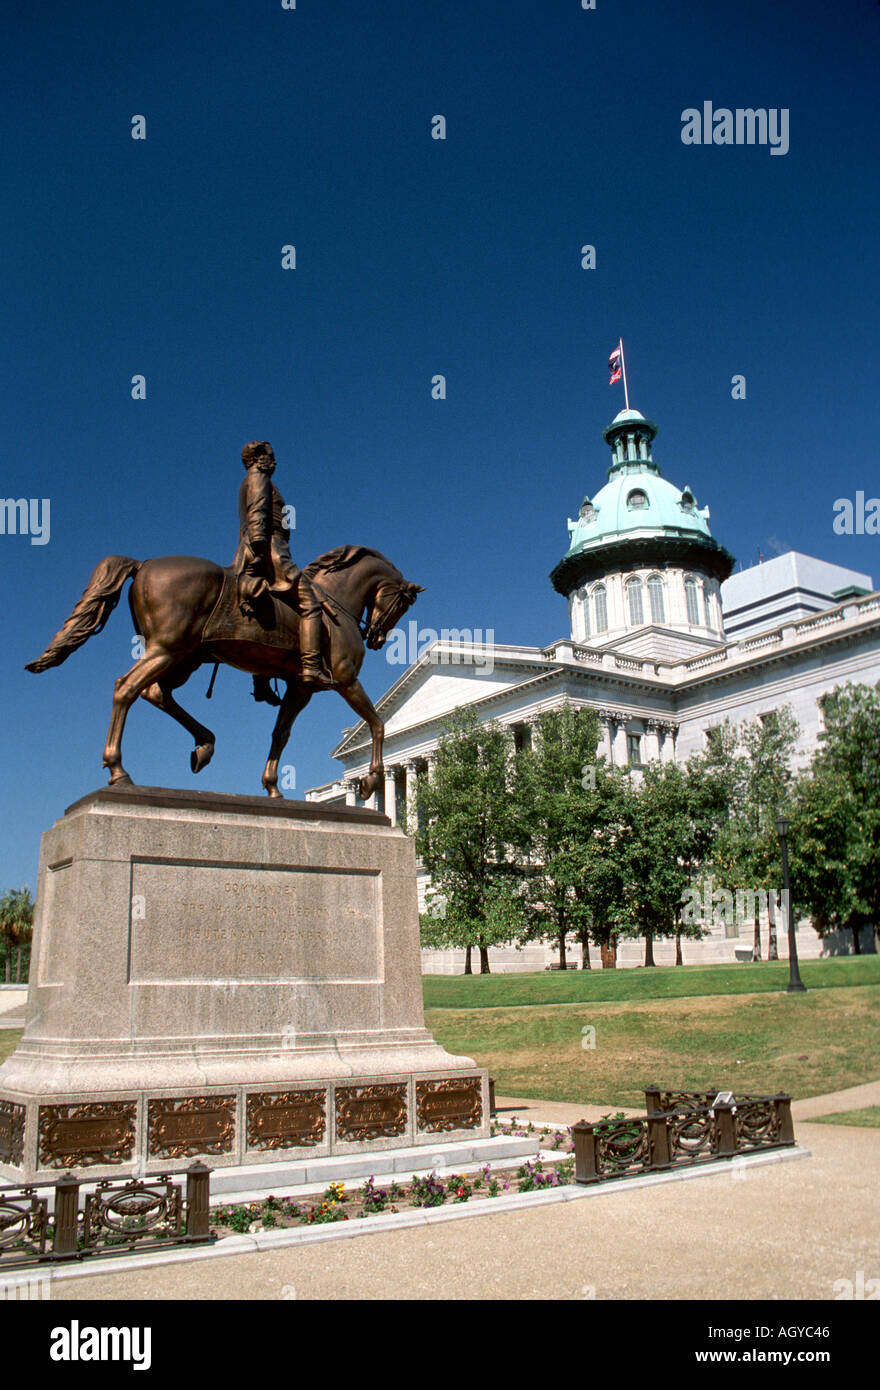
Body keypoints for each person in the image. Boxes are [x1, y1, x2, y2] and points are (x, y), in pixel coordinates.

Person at [232, 440, 330, 700]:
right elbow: (257, 521)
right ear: (257, 459)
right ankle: (311, 668)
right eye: (270, 456)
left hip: (262, 552)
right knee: (311, 605)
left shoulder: (253, 480)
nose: (274, 461)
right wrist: (261, 560)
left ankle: (262, 684)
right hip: (272, 554)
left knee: (267, 617)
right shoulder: (258, 479)